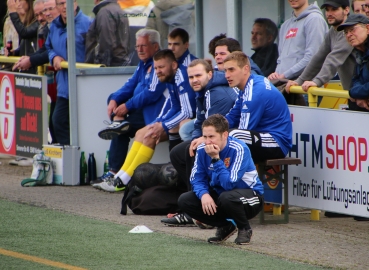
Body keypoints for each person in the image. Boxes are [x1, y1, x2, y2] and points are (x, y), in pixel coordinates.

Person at [94, 49, 196, 192]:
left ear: (173, 65)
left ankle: (125, 180)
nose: (158, 71)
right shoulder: (169, 78)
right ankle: (120, 176)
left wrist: (163, 126)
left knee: (151, 135)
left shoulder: (182, 76)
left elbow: (187, 112)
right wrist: (158, 122)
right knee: (142, 132)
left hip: (194, 122)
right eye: (155, 68)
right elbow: (172, 105)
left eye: (161, 67)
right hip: (182, 119)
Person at [161, 59, 238, 226]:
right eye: (191, 77)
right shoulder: (203, 91)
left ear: (209, 74)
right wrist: (197, 137)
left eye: (198, 75)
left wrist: (201, 140)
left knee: (192, 151)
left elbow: (215, 128)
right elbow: (200, 123)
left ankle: (195, 210)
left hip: (229, 139)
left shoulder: (215, 92)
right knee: (183, 150)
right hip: (214, 135)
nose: (194, 80)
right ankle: (196, 202)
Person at [93, 29, 167, 185]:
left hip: (156, 115)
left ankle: (122, 177)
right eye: (137, 46)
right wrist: (114, 99)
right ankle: (114, 172)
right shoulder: (143, 64)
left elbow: (151, 94)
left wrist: (127, 106)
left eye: (143, 46)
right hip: (141, 112)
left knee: (122, 128)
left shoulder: (160, 64)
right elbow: (129, 86)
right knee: (120, 127)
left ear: (155, 46)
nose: (139, 50)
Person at [177, 114, 264, 245]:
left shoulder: (239, 149)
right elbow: (196, 178)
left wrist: (216, 159)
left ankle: (244, 228)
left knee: (226, 197)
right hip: (222, 194)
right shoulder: (202, 149)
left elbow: (230, 184)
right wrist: (204, 195)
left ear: (224, 135)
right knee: (185, 200)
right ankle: (225, 226)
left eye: (211, 137)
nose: (207, 142)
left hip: (250, 197)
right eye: (205, 137)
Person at [224, 51, 292, 163]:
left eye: (231, 70)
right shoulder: (248, 85)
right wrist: (209, 134)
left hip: (277, 142)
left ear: (246, 69)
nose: (227, 75)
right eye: (225, 71)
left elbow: (243, 131)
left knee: (233, 135)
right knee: (213, 135)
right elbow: (231, 118)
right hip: (259, 137)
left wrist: (214, 138)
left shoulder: (255, 92)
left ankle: (230, 179)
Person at [45, 0, 92, 145]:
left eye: (67, 2)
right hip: (64, 86)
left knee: (82, 125)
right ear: (56, 6)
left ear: (76, 3)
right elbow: (48, 47)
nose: (65, 6)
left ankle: (79, 162)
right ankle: (70, 160)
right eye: (60, 3)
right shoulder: (55, 25)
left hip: (84, 84)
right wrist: (54, 57)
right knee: (58, 121)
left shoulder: (88, 24)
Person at [285, 0, 355, 96]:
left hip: (362, 92)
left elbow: (334, 59)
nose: (329, 14)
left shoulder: (350, 30)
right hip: (354, 93)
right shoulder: (333, 30)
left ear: (346, 10)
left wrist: (317, 81)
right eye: (327, 10)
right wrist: (299, 81)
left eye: (334, 9)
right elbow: (319, 57)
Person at [268, 0, 328, 81]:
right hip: (284, 85)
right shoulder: (285, 25)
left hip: (304, 88)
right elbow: (281, 60)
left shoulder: (315, 19)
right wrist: (276, 74)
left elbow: (313, 59)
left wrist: (284, 75)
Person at [337, 14, 369, 112]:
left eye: (352, 30)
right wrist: (359, 95)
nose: (349, 35)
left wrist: (352, 93)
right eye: (346, 32)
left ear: (368, 28)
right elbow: (355, 79)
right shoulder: (360, 52)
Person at [85, 0, 130, 66]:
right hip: (120, 64)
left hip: (109, 67)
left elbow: (106, 42)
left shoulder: (104, 12)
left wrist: (103, 66)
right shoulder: (120, 10)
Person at [7, 0, 39, 73]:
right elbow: (25, 45)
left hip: (35, 68)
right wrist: (14, 52)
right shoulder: (25, 22)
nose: (17, 4)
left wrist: (13, 13)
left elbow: (24, 33)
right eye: (15, 1)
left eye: (20, 0)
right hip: (25, 69)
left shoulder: (38, 21)